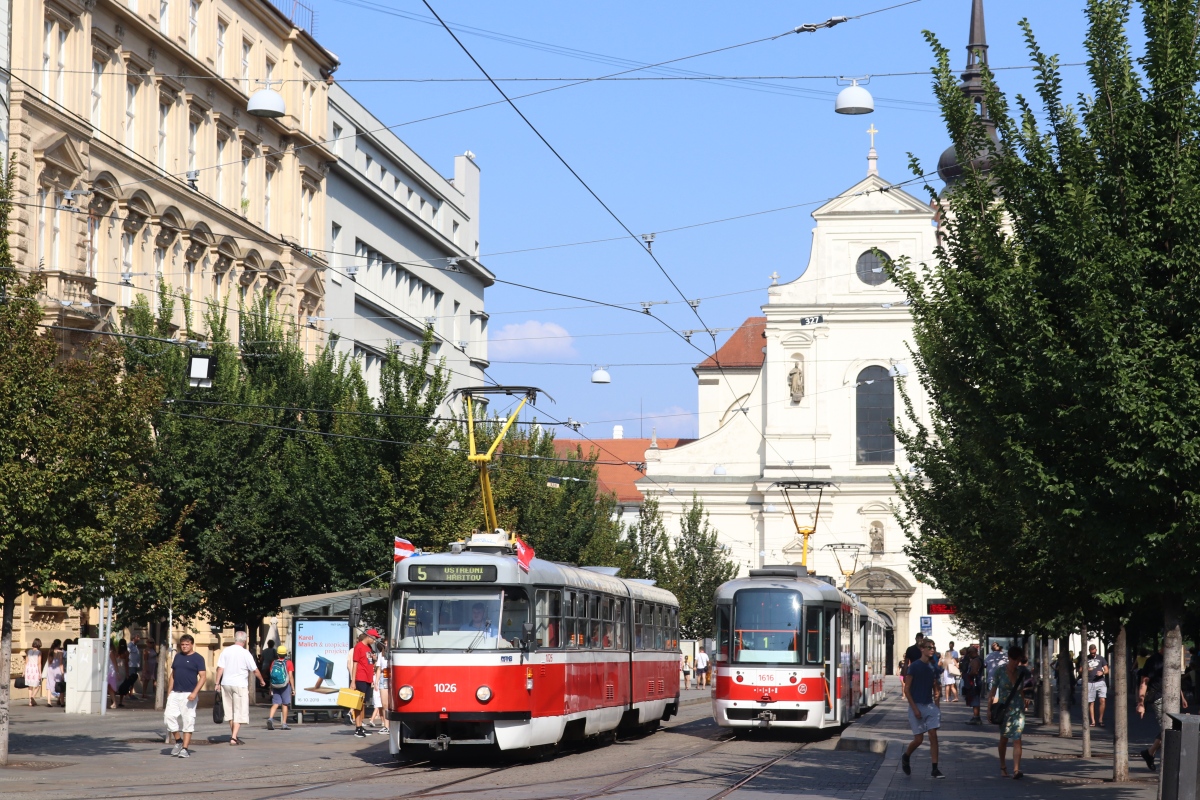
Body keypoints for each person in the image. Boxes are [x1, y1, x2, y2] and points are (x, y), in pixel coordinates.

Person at [1138, 645, 1189, 771]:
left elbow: (1175, 680)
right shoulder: (1153, 661)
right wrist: (1140, 703)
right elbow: (1144, 682)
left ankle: (1150, 752)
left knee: (1171, 727)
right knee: (1169, 727)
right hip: (1158, 697)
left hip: (1172, 697)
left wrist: (1182, 697)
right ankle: (1153, 754)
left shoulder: (1172, 660)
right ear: (1162, 647)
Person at [902, 639, 944, 779]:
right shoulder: (914, 667)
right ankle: (906, 756)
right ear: (922, 649)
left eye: (933, 647)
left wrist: (937, 706)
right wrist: (914, 709)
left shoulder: (933, 667)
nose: (932, 649)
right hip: (916, 704)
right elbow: (907, 690)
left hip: (929, 705)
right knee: (918, 740)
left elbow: (936, 685)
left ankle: (935, 768)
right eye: (929, 647)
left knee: (933, 734)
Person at [214, 631, 265, 745]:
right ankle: (233, 738)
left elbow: (220, 668)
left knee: (230, 711)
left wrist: (217, 683)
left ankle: (234, 735)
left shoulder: (226, 651)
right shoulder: (245, 653)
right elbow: (254, 670)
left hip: (226, 684)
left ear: (234, 639)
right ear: (245, 640)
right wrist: (261, 680)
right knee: (239, 711)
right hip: (239, 685)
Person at [991, 646, 1030, 779]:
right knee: (1004, 738)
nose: (1015, 662)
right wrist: (989, 709)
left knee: (1017, 738)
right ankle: (1003, 766)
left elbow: (1022, 690)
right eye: (1014, 659)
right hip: (1005, 709)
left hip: (1018, 709)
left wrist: (1025, 703)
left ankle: (1016, 770)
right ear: (1009, 657)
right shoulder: (1000, 671)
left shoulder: (1021, 672)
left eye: (1018, 660)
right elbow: (992, 691)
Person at [164, 634, 206, 758]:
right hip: (175, 693)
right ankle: (178, 741)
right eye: (182, 644)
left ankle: (185, 749)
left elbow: (203, 677)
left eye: (187, 644)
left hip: (189, 694)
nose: (184, 646)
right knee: (168, 717)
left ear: (192, 644)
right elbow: (173, 674)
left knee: (188, 720)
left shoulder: (198, 658)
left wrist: (195, 692)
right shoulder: (177, 657)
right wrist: (169, 691)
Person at [351, 629, 379, 738]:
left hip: (368, 678)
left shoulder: (369, 648)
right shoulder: (359, 647)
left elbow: (371, 663)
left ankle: (360, 726)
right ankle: (357, 727)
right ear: (369, 636)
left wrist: (374, 659)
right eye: (374, 638)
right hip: (360, 678)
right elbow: (355, 664)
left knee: (363, 704)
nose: (375, 640)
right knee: (358, 704)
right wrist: (353, 681)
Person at [265, 645, 294, 731]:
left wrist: (270, 688)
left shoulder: (274, 663)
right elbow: (291, 676)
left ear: (277, 654)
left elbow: (271, 675)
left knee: (275, 703)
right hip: (285, 685)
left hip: (275, 685)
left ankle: (270, 718)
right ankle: (284, 724)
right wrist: (293, 689)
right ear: (285, 654)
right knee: (285, 704)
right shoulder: (288, 663)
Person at [1085, 644, 1109, 728]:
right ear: (1089, 651)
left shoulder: (1101, 658)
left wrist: (1102, 673)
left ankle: (1100, 719)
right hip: (1090, 682)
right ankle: (1093, 721)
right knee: (1091, 702)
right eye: (1091, 653)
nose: (1093, 654)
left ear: (1096, 650)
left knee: (1102, 700)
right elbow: (1080, 670)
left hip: (1100, 681)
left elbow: (1107, 670)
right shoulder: (1085, 659)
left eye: (1094, 653)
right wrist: (1086, 669)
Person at [962, 646, 985, 724]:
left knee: (975, 699)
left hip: (974, 682)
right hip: (976, 682)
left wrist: (968, 674)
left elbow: (974, 671)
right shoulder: (979, 659)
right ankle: (976, 716)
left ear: (972, 652)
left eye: (969, 653)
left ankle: (976, 717)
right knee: (975, 699)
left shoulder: (975, 660)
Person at [375, 637, 390, 736]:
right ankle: (386, 726)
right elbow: (379, 669)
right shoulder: (381, 655)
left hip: (393, 677)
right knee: (384, 704)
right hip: (384, 678)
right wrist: (376, 682)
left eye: (388, 643)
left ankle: (392, 725)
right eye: (385, 643)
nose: (386, 645)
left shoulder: (394, 654)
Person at [24, 639, 43, 707]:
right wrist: (40, 673)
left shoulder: (28, 651)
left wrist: (24, 671)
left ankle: (30, 702)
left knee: (30, 686)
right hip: (35, 669)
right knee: (38, 684)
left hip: (29, 669)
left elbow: (26, 662)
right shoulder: (39, 652)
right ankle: (33, 697)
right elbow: (39, 663)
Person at [125, 634, 143, 700]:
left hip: (135, 665)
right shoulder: (130, 645)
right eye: (137, 637)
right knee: (130, 679)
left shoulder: (135, 646)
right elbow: (127, 653)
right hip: (131, 665)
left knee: (133, 680)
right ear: (133, 638)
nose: (139, 639)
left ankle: (131, 693)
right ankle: (128, 693)